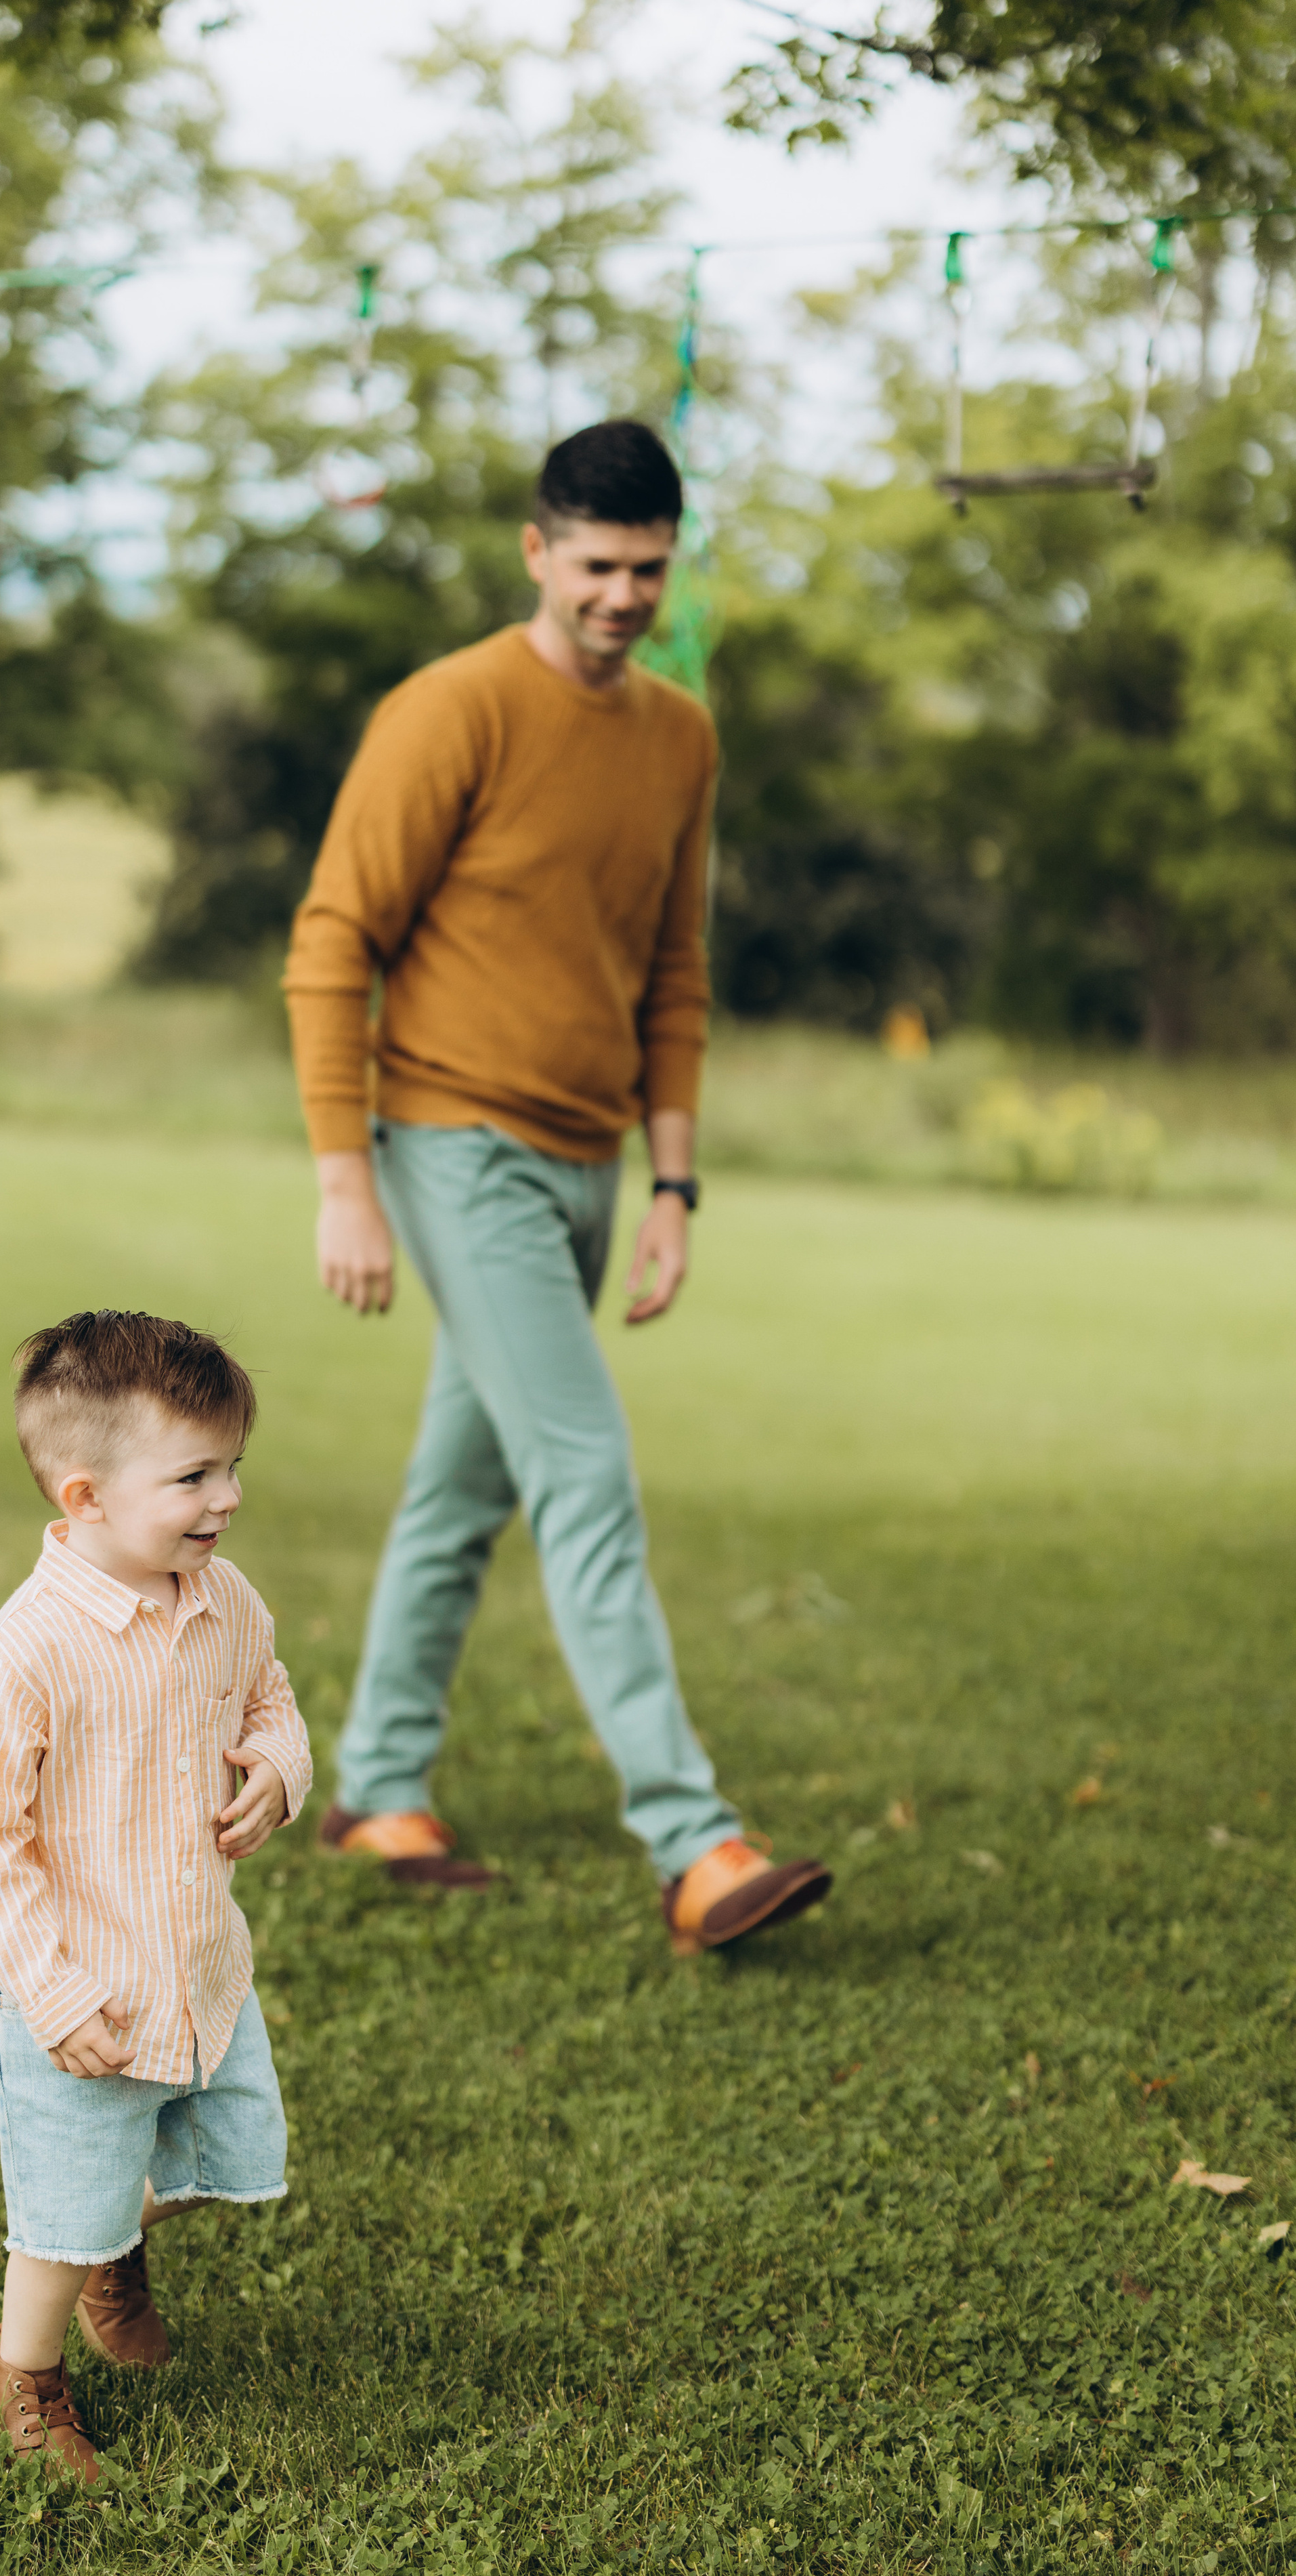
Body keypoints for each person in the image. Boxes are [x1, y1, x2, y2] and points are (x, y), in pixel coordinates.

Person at [283, 417, 831, 1955]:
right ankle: (693, 1839)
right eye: (593, 566)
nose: (620, 596)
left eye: (648, 569)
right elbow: (333, 945)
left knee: (464, 1490)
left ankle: (378, 1786)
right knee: (581, 1472)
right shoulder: (447, 711)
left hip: (596, 1166)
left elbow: (671, 967)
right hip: (457, 1151)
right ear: (536, 552)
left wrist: (672, 1187)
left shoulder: (678, 736)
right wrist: (346, 1178)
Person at [0, 1310, 312, 2484]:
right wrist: (48, 1995)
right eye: (195, 1475)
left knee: (214, 2154)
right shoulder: (22, 1661)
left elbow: (271, 1698)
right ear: (87, 1497)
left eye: (233, 1467)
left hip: (198, 1962)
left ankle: (117, 2249)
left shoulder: (223, 1599)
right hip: (85, 1993)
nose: (228, 1498)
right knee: (60, 2206)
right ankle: (23, 2387)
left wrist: (280, 1771)